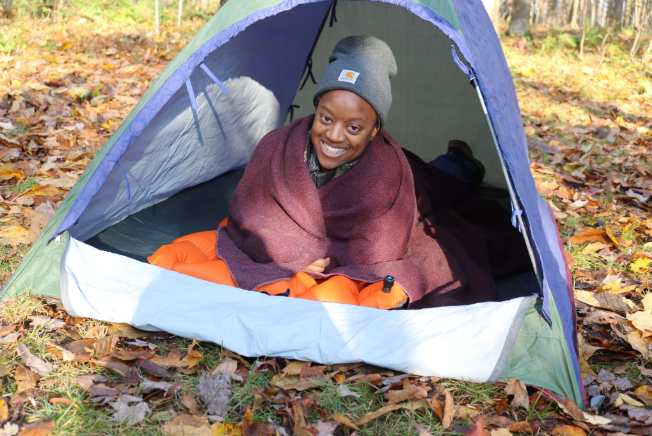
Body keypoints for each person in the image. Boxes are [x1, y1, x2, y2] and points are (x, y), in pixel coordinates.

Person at [148, 36, 530, 310]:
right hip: (352, 171)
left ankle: (460, 161)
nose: (332, 135)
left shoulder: (388, 170)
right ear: (315, 110)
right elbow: (250, 213)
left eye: (353, 126)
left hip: (416, 181)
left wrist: (321, 258)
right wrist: (297, 255)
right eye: (326, 118)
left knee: (443, 182)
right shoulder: (277, 147)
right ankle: (454, 162)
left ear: (375, 130)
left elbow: (382, 245)